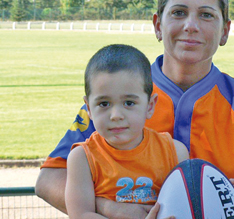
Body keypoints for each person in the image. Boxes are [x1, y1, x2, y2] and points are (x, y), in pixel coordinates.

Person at [36, 0, 234, 219]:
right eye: (179, 12)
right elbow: (49, 180)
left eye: (206, 15)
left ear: (225, 31)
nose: (191, 25)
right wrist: (110, 208)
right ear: (158, 25)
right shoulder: (120, 94)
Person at [65, 44, 189, 218]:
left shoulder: (175, 152)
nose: (116, 115)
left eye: (129, 103)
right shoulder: (82, 159)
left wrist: (223, 192)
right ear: (89, 109)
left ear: (150, 106)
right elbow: (81, 214)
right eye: (104, 104)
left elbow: (189, 207)